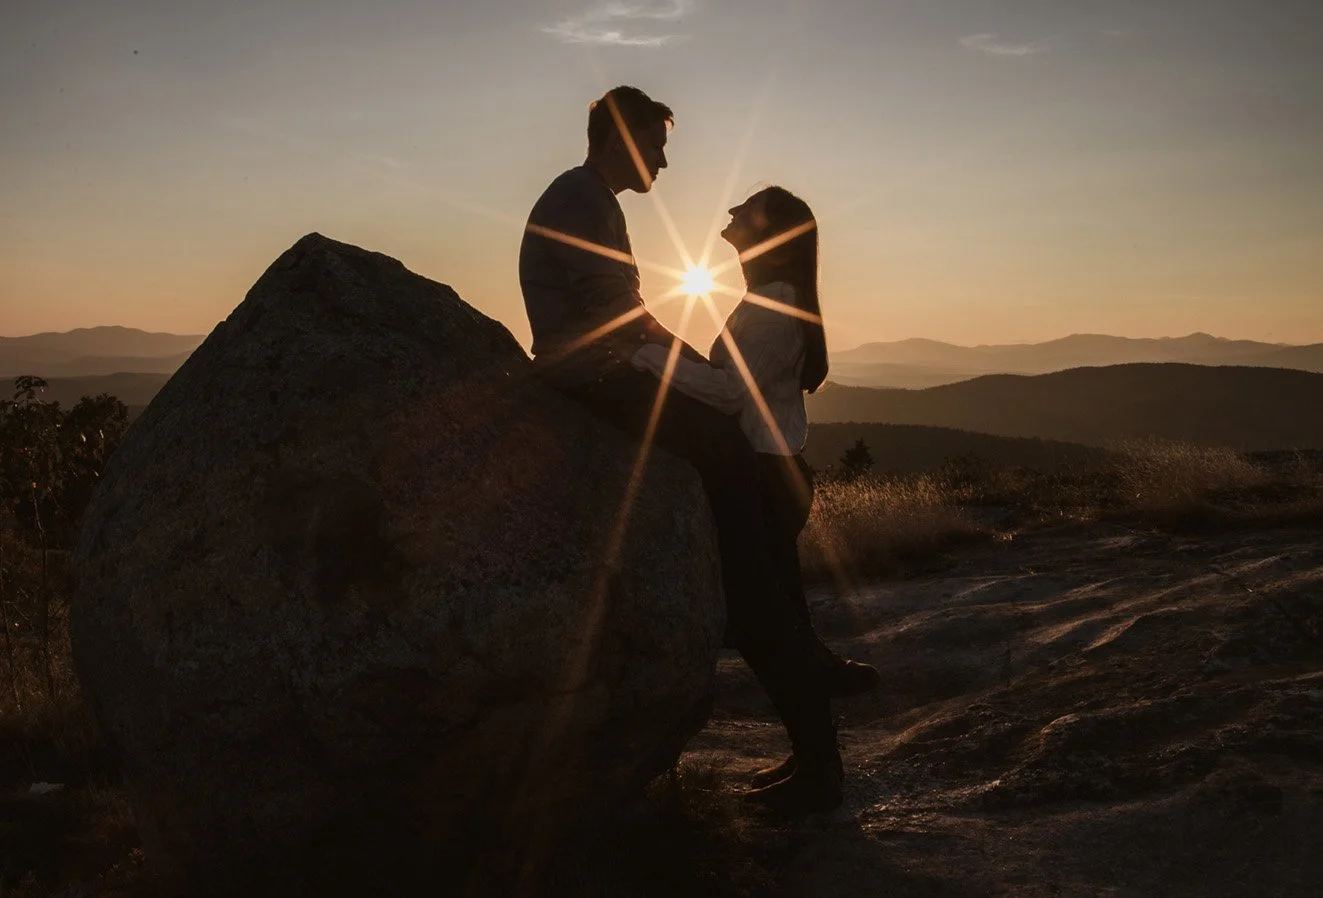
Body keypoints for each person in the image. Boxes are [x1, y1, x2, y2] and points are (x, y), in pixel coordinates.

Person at [519, 86, 847, 812]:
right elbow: (620, 319)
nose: (664, 163)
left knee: (750, 532)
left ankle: (787, 642)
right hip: (599, 384)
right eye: (657, 145)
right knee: (749, 536)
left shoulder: (588, 199)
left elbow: (627, 318)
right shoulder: (582, 199)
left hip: (607, 379)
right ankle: (783, 635)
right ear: (625, 140)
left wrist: (686, 360)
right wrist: (686, 359)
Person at [631, 185, 879, 792]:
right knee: (781, 625)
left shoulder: (775, 304)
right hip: (774, 472)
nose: (732, 215)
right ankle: (816, 761)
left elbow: (726, 393)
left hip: (769, 477)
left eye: (746, 211)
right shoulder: (765, 298)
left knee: (770, 628)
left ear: (769, 233)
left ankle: (819, 769)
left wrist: (641, 353)